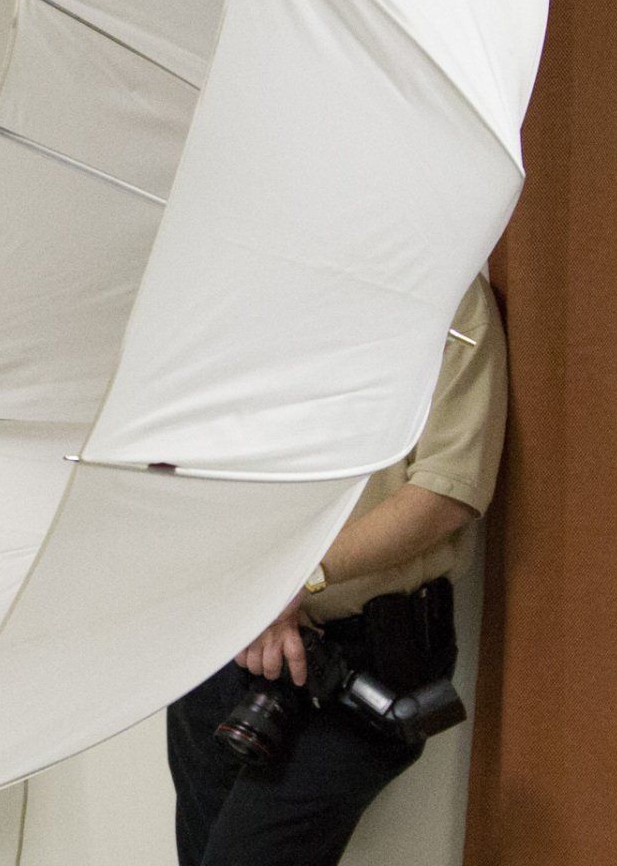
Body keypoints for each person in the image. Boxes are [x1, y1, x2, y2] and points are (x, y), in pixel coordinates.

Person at [165, 273, 507, 866]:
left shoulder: (447, 292)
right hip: (225, 642)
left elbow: (444, 496)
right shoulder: (244, 290)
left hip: (364, 659)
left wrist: (294, 582)